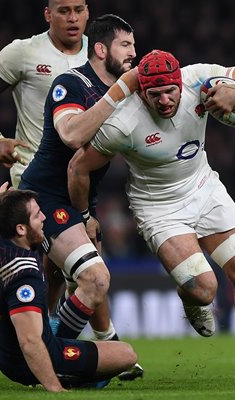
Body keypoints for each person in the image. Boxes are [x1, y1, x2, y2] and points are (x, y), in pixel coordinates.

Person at [67, 49, 235, 385]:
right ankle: (191, 300)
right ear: (141, 92)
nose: (163, 100)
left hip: (204, 187)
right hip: (159, 208)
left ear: (179, 82)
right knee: (205, 289)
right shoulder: (123, 122)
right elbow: (78, 167)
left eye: (169, 91)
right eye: (154, 94)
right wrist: (85, 215)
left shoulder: (198, 78)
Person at [19, 14, 143, 381]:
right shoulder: (70, 83)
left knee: (67, 280)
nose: (133, 53)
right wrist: (118, 92)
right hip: (44, 198)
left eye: (135, 45)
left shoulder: (127, 93)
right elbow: (71, 134)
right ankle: (53, 356)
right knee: (95, 278)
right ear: (100, 49)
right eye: (126, 45)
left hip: (79, 201)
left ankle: (101, 345)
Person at [0, 0, 89, 331]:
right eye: (64, 10)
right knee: (76, 262)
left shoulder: (101, 54)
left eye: (79, 9)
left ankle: (44, 331)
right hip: (33, 176)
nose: (73, 17)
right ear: (48, 14)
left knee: (62, 267)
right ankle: (53, 335)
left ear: (88, 12)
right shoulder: (23, 52)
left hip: (81, 176)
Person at [0, 183, 137, 392]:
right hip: (22, 360)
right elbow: (30, 342)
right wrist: (54, 387)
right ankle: (63, 374)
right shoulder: (22, 275)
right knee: (126, 355)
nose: (44, 218)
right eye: (37, 215)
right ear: (21, 228)